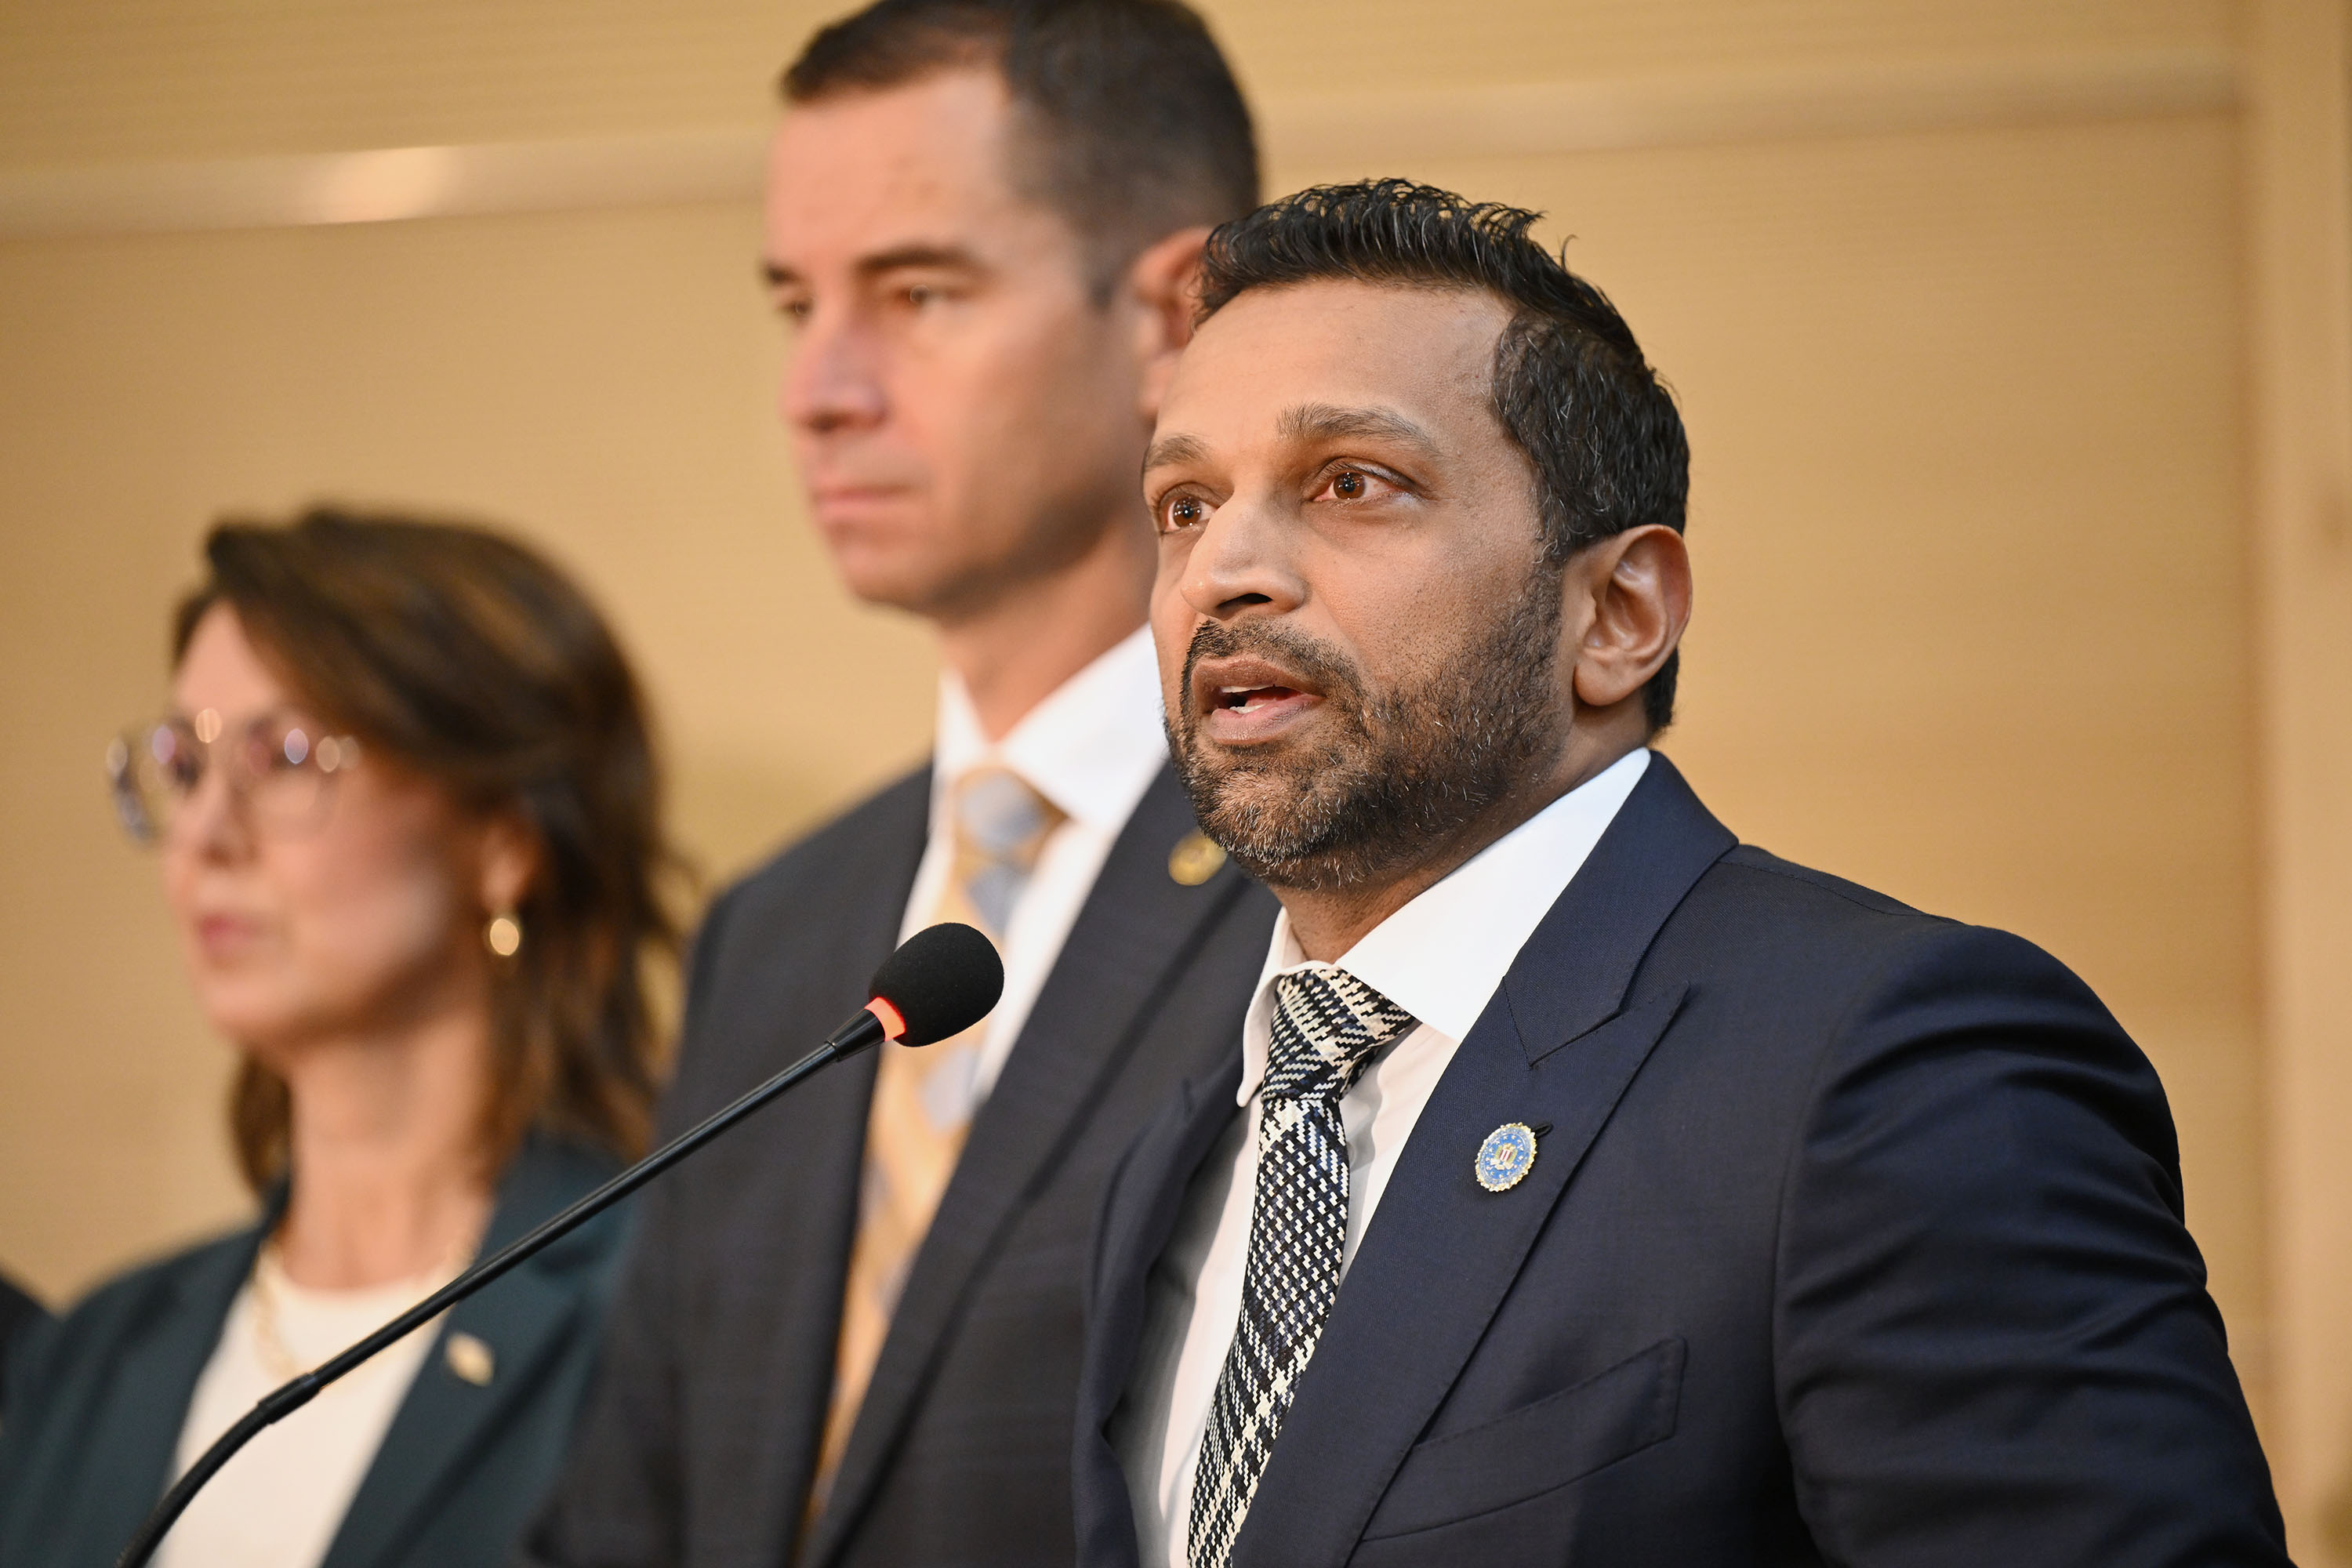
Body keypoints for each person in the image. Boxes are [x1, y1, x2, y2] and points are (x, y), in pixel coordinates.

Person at [1073, 181, 2289, 1567]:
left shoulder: (1890, 1073)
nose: (1224, 569)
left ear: (1617, 615)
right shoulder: (1185, 1142)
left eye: (1353, 483)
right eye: (1183, 504)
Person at [522, 3, 1274, 1566]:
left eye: (917, 292)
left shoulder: (1332, 869)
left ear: (1173, 316)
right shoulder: (776, 931)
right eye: (797, 303)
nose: (818, 388)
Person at [0, 508, 678, 1568]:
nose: (204, 835)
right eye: (182, 763)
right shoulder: (92, 1354)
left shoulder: (659, 1317)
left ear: (502, 839)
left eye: (284, 755)